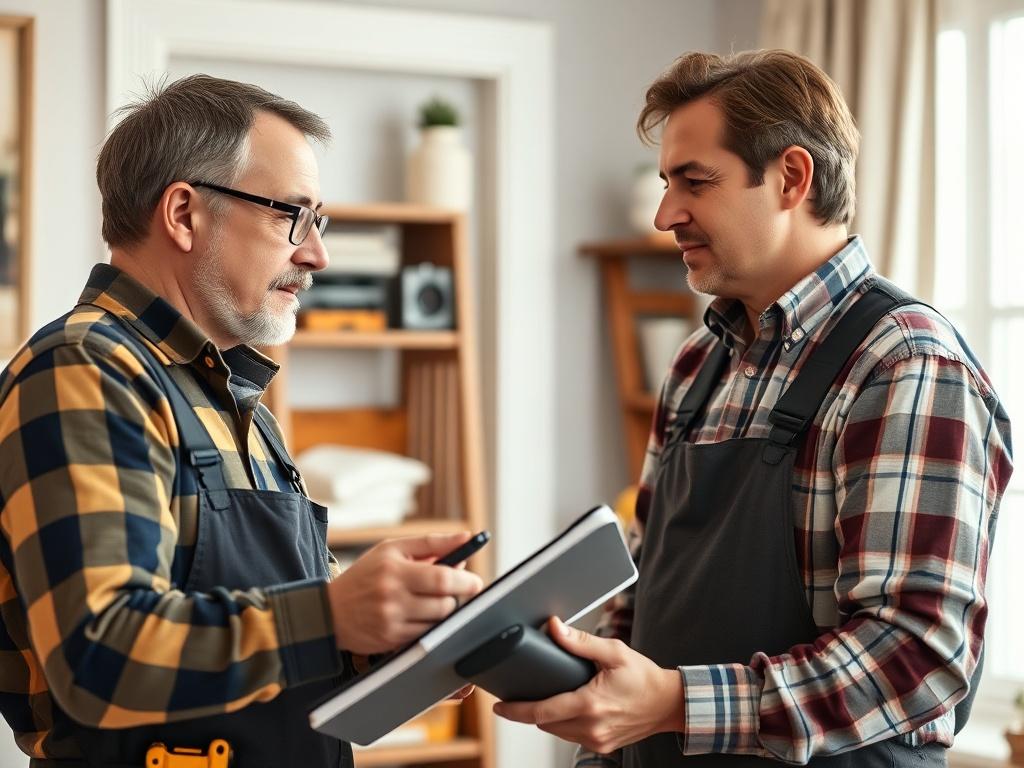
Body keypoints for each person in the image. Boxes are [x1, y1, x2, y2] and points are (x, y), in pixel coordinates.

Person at [494, 50, 1013, 766]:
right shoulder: (695, 367)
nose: (664, 214)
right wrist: (564, 671)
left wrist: (675, 703)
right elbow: (644, 598)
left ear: (791, 178)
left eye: (694, 183)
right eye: (666, 183)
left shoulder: (904, 363)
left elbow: (916, 656)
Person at [0, 74, 482, 767]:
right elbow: (98, 654)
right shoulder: (85, 371)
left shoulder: (236, 402)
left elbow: (282, 646)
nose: (316, 253)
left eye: (320, 222)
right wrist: (333, 614)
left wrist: (388, 647)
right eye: (293, 215)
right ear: (184, 214)